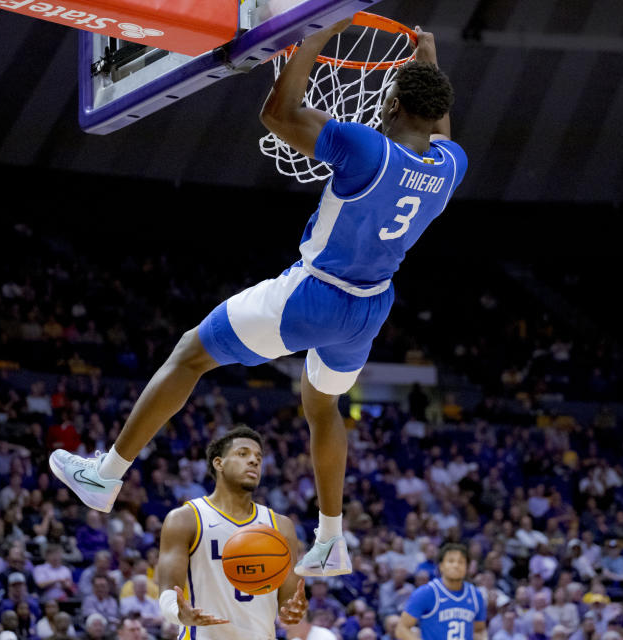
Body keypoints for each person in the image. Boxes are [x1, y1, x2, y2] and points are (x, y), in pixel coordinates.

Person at [48, 18, 465, 578]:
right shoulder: (450, 165)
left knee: (190, 354)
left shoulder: (368, 149)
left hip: (312, 295)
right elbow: (436, 119)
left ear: (389, 103)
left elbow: (278, 114)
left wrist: (317, 26)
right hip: (369, 309)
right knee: (323, 405)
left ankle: (106, 475)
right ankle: (332, 540)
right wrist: (427, 58)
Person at [155, 427, 309, 640]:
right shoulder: (185, 519)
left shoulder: (281, 526)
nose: (254, 461)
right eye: (243, 454)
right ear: (219, 463)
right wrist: (179, 613)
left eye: (258, 457)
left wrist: (294, 609)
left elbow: (288, 601)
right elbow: (167, 592)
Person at [394, 543, 486, 640]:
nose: (456, 565)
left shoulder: (476, 595)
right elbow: (401, 629)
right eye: (451, 561)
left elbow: (479, 631)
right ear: (441, 566)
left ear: (467, 567)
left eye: (461, 562)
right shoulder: (426, 593)